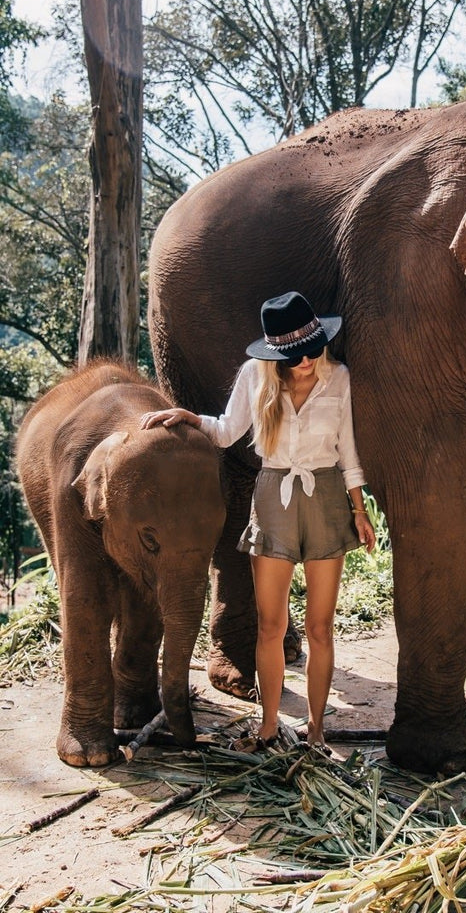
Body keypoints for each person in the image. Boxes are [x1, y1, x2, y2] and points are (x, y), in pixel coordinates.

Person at [140, 291, 376, 752]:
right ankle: (268, 726)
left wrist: (359, 510)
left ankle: (316, 730)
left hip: (327, 498)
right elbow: (228, 431)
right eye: (295, 354)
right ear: (276, 354)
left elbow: (348, 450)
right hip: (272, 498)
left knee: (320, 627)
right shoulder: (255, 376)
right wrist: (189, 417)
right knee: (270, 624)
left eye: (314, 347)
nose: (307, 359)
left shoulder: (339, 377)